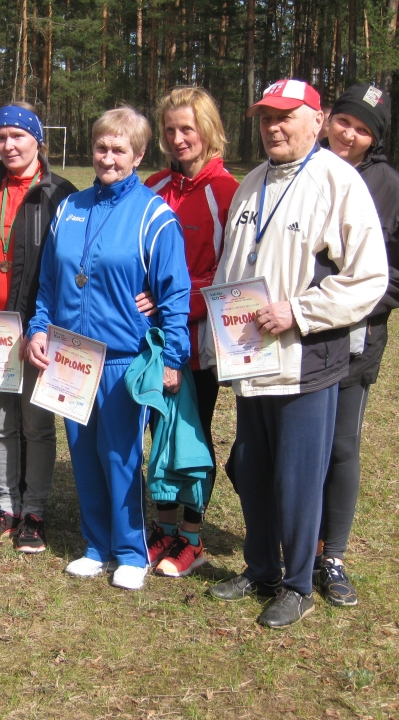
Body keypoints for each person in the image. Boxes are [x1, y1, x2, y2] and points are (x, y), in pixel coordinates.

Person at [206, 79, 388, 628]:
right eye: (265, 117)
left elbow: (368, 276)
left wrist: (300, 312)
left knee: (299, 477)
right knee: (255, 469)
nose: (273, 127)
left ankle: (298, 584)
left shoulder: (338, 180)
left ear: (317, 119)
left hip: (303, 358)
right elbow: (229, 266)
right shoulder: (252, 183)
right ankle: (260, 566)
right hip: (250, 359)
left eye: (286, 116)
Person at [26, 107, 191, 590]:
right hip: (70, 356)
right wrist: (39, 328)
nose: (108, 157)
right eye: (102, 147)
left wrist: (173, 358)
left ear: (139, 154)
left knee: (119, 455)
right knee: (82, 453)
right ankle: (95, 545)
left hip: (123, 359)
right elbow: (49, 284)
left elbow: (175, 294)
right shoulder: (70, 207)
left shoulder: (155, 216)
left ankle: (129, 550)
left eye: (120, 149)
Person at [319, 83, 399, 605]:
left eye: (363, 130)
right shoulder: (294, 172)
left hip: (353, 346)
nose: (350, 134)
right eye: (345, 120)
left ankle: (331, 554)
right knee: (268, 450)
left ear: (374, 141)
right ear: (325, 118)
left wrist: (356, 304)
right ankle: (285, 544)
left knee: (340, 448)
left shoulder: (389, 188)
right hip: (284, 341)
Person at [0, 102, 77, 551]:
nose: (8, 145)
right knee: (0, 424)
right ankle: (5, 507)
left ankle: (35, 512)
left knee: (37, 426)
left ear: (37, 140)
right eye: (1, 137)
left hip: (38, 331)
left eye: (18, 136)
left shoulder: (61, 193)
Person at [144, 86, 239, 577]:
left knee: (192, 437)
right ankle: (162, 527)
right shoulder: (154, 186)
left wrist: (177, 302)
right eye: (170, 130)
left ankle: (193, 538)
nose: (179, 138)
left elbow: (232, 278)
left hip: (201, 345)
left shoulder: (229, 193)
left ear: (208, 130)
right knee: (159, 433)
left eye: (188, 128)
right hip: (152, 340)